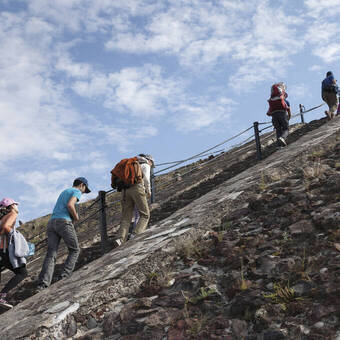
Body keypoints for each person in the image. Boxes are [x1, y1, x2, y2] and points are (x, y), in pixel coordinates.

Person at [37, 177, 91, 290]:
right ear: (82, 185)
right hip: (63, 222)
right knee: (75, 249)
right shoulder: (76, 191)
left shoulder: (64, 191)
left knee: (51, 254)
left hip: (52, 223)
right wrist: (76, 217)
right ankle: (64, 277)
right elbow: (70, 205)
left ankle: (42, 285)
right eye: (84, 190)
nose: (83, 193)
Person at [115, 154, 154, 246]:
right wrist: (148, 190)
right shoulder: (145, 164)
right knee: (145, 214)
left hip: (125, 190)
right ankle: (135, 235)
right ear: (150, 161)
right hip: (137, 188)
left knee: (126, 217)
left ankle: (120, 239)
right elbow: (147, 180)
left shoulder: (131, 164)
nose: (151, 166)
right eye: (152, 164)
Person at [0, 198, 28, 309]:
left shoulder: (1, 218)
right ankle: (2, 295)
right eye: (15, 204)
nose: (17, 206)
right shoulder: (13, 213)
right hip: (5, 250)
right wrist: (13, 234)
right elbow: (6, 227)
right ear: (11, 206)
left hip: (1, 251)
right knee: (22, 273)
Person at [267, 82, 291, 147]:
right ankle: (282, 138)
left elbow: (268, 113)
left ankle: (279, 145)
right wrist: (289, 117)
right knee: (286, 129)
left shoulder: (272, 100)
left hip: (274, 116)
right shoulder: (285, 101)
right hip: (282, 114)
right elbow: (288, 110)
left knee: (278, 130)